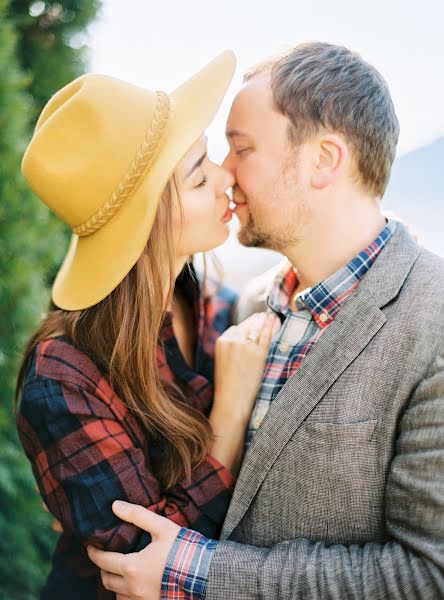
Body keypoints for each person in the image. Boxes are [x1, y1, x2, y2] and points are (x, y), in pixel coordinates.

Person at [87, 42, 444, 599]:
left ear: (324, 159)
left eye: (241, 149)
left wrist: (199, 572)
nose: (225, 174)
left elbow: (425, 577)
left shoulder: (433, 321)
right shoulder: (247, 308)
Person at [15, 51, 277, 599]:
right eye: (199, 175)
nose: (226, 175)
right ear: (148, 217)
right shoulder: (63, 376)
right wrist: (230, 409)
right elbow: (144, 565)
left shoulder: (206, 303)